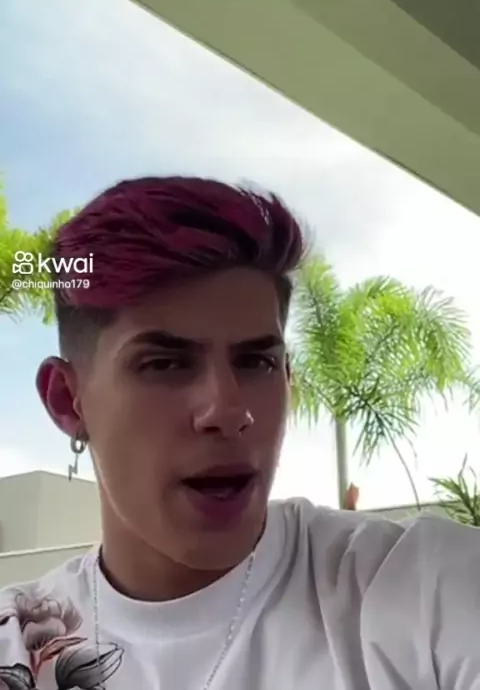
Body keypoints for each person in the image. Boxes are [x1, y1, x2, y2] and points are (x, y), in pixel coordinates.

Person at [0, 175, 478, 690]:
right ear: (67, 400)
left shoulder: (425, 587)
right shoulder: (17, 646)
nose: (229, 411)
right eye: (164, 364)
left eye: (256, 362)